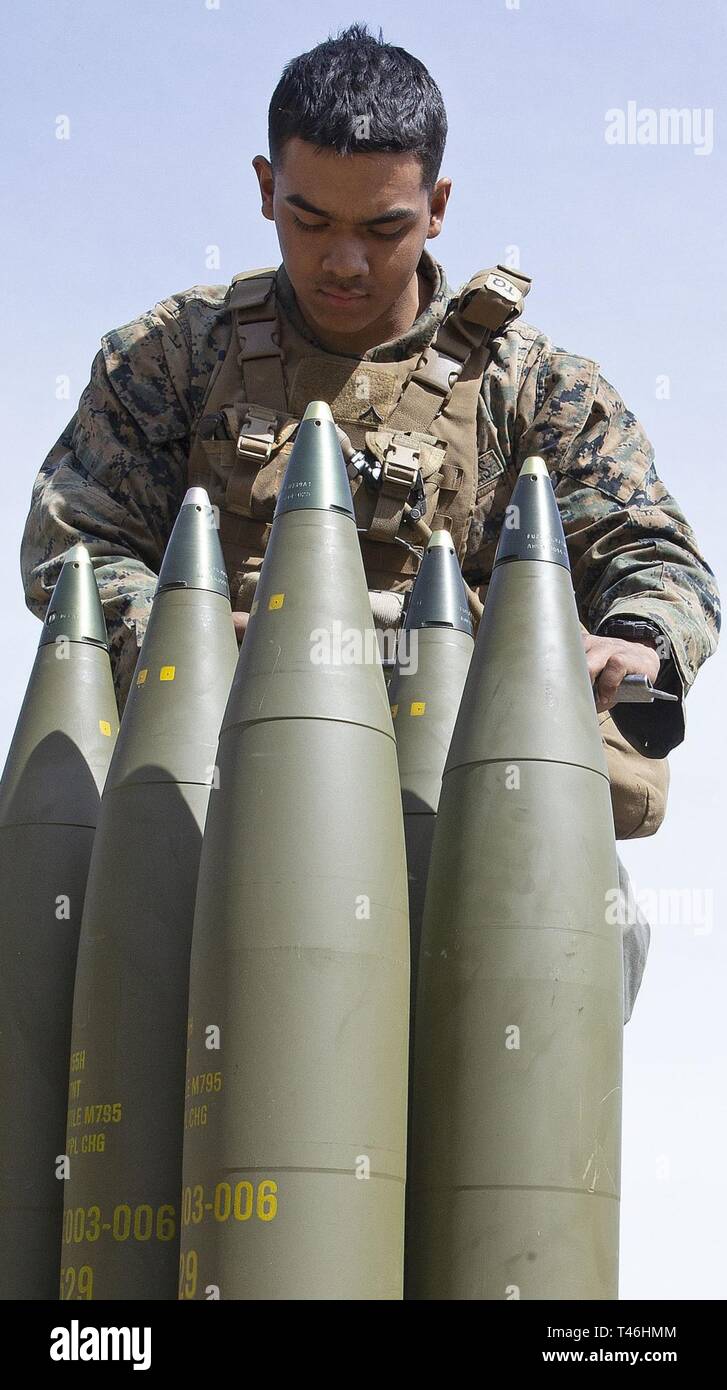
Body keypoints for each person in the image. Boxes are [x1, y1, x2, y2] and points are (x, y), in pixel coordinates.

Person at [20, 23, 719, 1021]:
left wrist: (635, 640)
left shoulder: (535, 387)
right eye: (308, 220)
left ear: (437, 208)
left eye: (382, 229)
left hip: (461, 798)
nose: (343, 261)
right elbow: (71, 548)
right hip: (215, 790)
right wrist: (193, 641)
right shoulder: (170, 360)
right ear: (265, 189)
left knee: (586, 935)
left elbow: (655, 557)